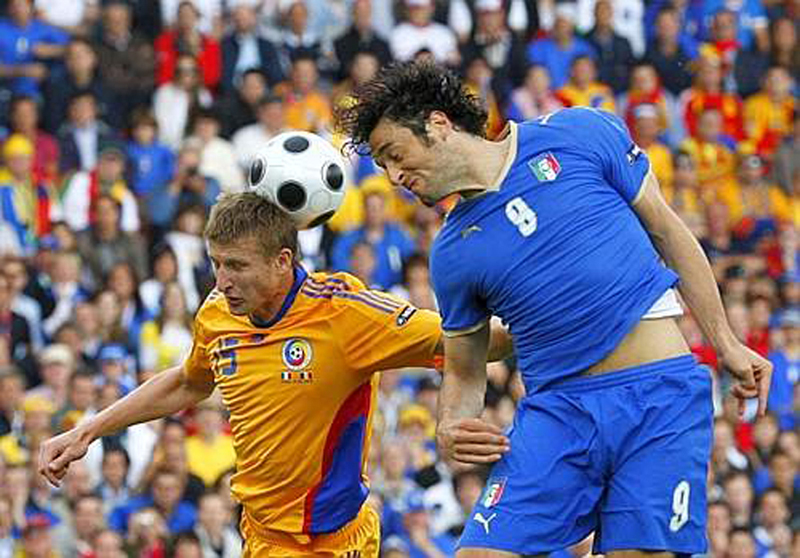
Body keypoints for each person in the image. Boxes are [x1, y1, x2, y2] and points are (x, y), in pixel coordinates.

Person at [335, 61, 773, 557]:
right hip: (558, 415)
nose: (393, 177)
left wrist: (727, 343)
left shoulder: (579, 131)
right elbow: (463, 367)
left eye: (395, 155)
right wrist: (452, 423)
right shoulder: (453, 251)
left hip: (658, 397)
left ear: (437, 124)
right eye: (383, 167)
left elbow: (669, 233)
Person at [38, 192, 512, 557]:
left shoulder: (344, 314)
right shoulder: (218, 315)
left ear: (282, 261)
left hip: (339, 540)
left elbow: (468, 341)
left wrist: (554, 315)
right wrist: (88, 429)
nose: (222, 281)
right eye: (216, 264)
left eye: (237, 266)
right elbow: (188, 382)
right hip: (263, 538)